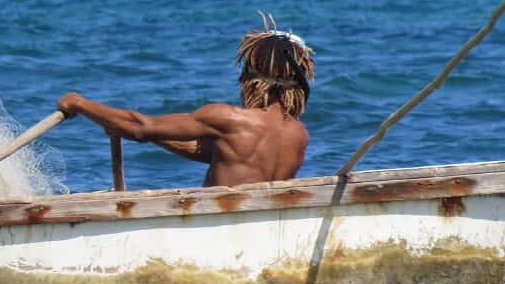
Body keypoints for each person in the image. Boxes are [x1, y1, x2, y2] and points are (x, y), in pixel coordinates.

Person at [57, 14, 315, 187]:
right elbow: (227, 157)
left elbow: (141, 127)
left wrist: (79, 104)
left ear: (250, 74)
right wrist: (122, 126)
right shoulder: (298, 133)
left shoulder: (228, 118)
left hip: (220, 221)